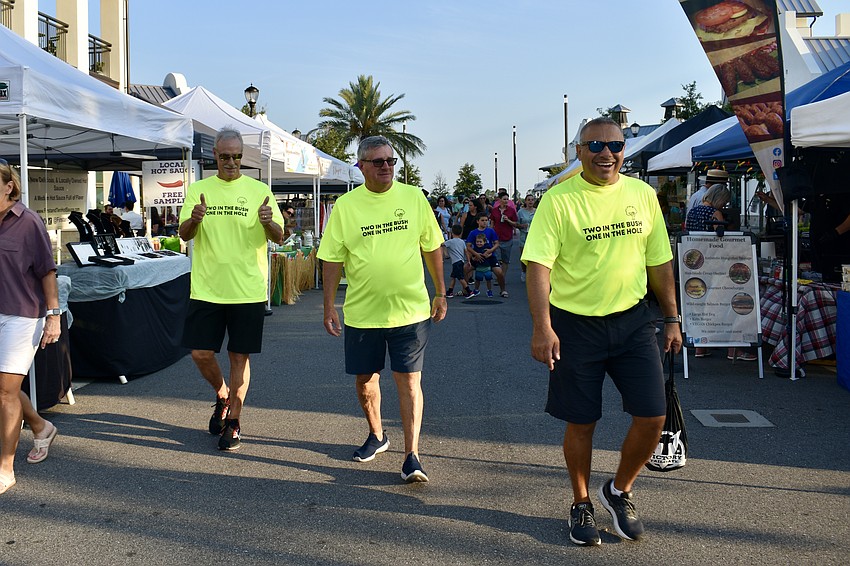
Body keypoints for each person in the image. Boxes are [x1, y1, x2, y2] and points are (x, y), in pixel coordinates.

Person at [522, 117, 683, 546]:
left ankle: (618, 490)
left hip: (633, 322)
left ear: (624, 150)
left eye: (614, 145)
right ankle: (580, 503)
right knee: (582, 422)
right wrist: (543, 327)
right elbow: (538, 268)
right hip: (575, 327)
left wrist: (672, 317)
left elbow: (659, 263)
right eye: (595, 145)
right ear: (579, 151)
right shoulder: (558, 201)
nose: (606, 153)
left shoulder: (643, 195)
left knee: (652, 417)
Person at [318, 136, 446, 483]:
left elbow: (431, 245)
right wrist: (329, 305)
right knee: (365, 382)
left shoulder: (413, 197)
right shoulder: (346, 206)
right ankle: (377, 435)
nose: (386, 167)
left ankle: (412, 455)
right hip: (363, 313)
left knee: (409, 382)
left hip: (410, 311)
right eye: (378, 162)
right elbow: (332, 258)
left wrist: (440, 291)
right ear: (361, 166)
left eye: (391, 161)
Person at [178, 128, 284, 451]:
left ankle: (234, 421)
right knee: (200, 353)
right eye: (225, 156)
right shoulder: (198, 189)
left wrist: (267, 221)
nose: (231, 162)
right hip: (208, 289)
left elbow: (280, 236)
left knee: (240, 357)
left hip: (247, 291)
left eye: (237, 156)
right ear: (215, 156)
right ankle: (222, 393)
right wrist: (195, 219)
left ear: (242, 156)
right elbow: (184, 234)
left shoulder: (258, 191)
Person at [0, 158, 61, 495]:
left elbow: (47, 271)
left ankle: (5, 468)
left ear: (9, 186)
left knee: (6, 391)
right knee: (1, 388)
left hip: (23, 315)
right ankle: (41, 426)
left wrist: (54, 316)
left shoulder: (29, 222)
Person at [686, 184, 755, 361]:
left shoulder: (693, 212)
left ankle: (700, 347)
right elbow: (721, 238)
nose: (724, 206)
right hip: (712, 264)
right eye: (724, 202)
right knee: (718, 305)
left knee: (698, 305)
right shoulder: (714, 214)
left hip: (693, 262)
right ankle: (731, 347)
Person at [466, 213, 505, 294]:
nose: (485, 222)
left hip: (490, 256)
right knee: (465, 269)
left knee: (499, 272)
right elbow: (468, 246)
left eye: (486, 220)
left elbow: (497, 243)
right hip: (477, 256)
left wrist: (490, 251)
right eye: (482, 220)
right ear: (478, 221)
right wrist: (475, 254)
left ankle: (503, 290)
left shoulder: (491, 231)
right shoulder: (473, 233)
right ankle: (465, 289)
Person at [490, 193, 518, 297]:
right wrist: (491, 233)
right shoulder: (495, 210)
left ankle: (502, 277)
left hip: (507, 237)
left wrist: (508, 220)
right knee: (496, 258)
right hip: (497, 237)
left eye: (507, 199)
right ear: (500, 200)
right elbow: (492, 222)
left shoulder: (511, 211)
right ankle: (498, 275)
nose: (506, 201)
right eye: (504, 199)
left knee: (505, 259)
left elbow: (515, 223)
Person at [443, 224, 472, 298]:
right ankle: (450, 291)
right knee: (453, 277)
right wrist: (468, 261)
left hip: (455, 262)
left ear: (452, 232)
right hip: (461, 261)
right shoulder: (462, 242)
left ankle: (469, 291)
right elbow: (466, 251)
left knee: (460, 278)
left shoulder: (450, 242)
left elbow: (442, 244)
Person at [517, 194, 537, 282]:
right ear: (525, 201)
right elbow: (516, 224)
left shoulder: (537, 211)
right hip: (523, 235)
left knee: (534, 256)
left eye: (532, 200)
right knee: (523, 256)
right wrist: (522, 226)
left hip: (535, 236)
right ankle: (524, 271)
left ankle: (533, 273)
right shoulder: (521, 212)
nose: (530, 202)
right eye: (528, 200)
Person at [469, 233, 495, 298]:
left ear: (484, 242)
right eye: (477, 242)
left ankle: (489, 290)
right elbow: (472, 257)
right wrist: (474, 258)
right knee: (477, 279)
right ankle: (476, 290)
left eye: (480, 242)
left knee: (488, 279)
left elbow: (491, 253)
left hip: (487, 266)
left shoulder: (487, 247)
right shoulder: (475, 249)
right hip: (479, 267)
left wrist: (488, 255)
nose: (479, 243)